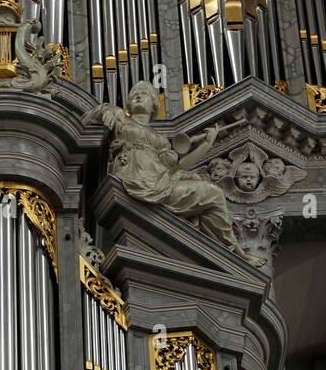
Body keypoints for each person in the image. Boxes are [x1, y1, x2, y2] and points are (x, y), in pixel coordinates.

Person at [83, 82, 258, 262]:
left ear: (153, 106)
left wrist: (206, 144)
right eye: (134, 93)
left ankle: (235, 253)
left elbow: (180, 166)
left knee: (214, 193)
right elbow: (87, 119)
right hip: (133, 177)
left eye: (144, 94)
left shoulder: (161, 141)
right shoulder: (121, 117)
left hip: (162, 182)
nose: (138, 95)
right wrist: (106, 111)